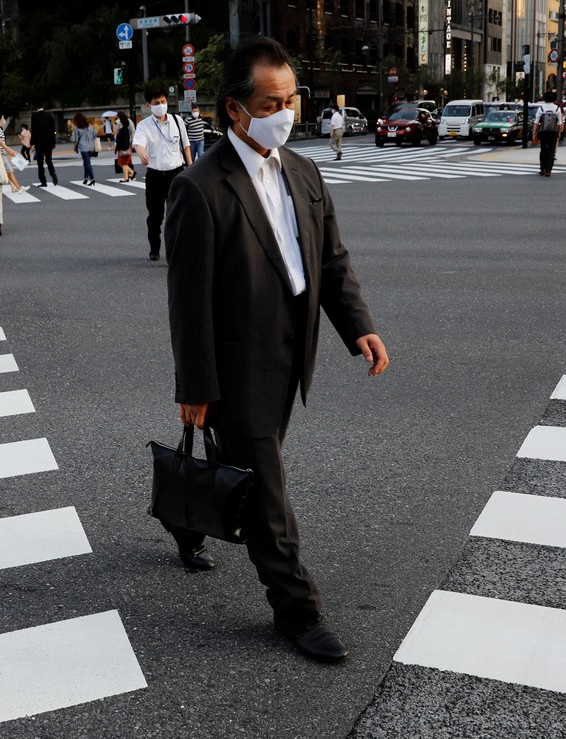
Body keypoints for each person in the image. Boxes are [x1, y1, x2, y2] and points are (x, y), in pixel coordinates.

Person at [164, 37, 389, 664]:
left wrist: (358, 326)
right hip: (237, 366)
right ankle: (297, 610)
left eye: (291, 99)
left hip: (296, 349)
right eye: (272, 102)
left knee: (241, 469)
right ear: (236, 109)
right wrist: (195, 387)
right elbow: (189, 302)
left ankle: (184, 515)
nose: (286, 111)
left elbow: (330, 258)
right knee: (267, 491)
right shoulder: (199, 187)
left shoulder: (303, 170)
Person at [133, 86, 193, 261]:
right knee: (155, 216)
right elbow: (139, 144)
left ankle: (173, 251)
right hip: (155, 176)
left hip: (176, 174)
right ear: (148, 105)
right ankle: (154, 248)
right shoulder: (144, 125)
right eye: (156, 103)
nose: (161, 105)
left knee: (176, 216)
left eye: (163, 102)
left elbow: (186, 145)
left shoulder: (177, 121)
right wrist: (142, 154)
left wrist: (190, 167)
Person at [532, 90, 563, 177]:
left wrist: (534, 132)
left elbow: (536, 122)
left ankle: (542, 168)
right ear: (554, 99)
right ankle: (548, 170)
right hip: (553, 132)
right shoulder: (557, 108)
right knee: (551, 151)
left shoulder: (541, 108)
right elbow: (559, 123)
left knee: (543, 149)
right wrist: (559, 133)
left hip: (543, 132)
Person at [30, 101, 57, 187]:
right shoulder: (49, 115)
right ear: (43, 106)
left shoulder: (34, 116)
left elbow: (33, 131)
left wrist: (32, 143)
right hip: (49, 141)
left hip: (39, 142)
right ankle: (53, 173)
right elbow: (53, 129)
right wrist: (53, 142)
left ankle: (43, 181)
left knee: (40, 162)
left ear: (36, 107)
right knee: (49, 160)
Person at [71, 112, 98, 186]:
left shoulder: (77, 128)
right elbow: (95, 133)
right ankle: (85, 178)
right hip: (91, 146)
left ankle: (92, 179)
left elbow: (76, 139)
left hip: (83, 147)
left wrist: (74, 146)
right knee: (86, 162)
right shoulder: (90, 126)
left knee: (87, 162)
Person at [114, 111, 136, 182]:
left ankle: (126, 177)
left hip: (124, 148)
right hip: (124, 147)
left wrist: (132, 143)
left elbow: (126, 139)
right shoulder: (122, 129)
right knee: (123, 163)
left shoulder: (124, 129)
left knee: (123, 163)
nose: (117, 121)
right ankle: (131, 173)